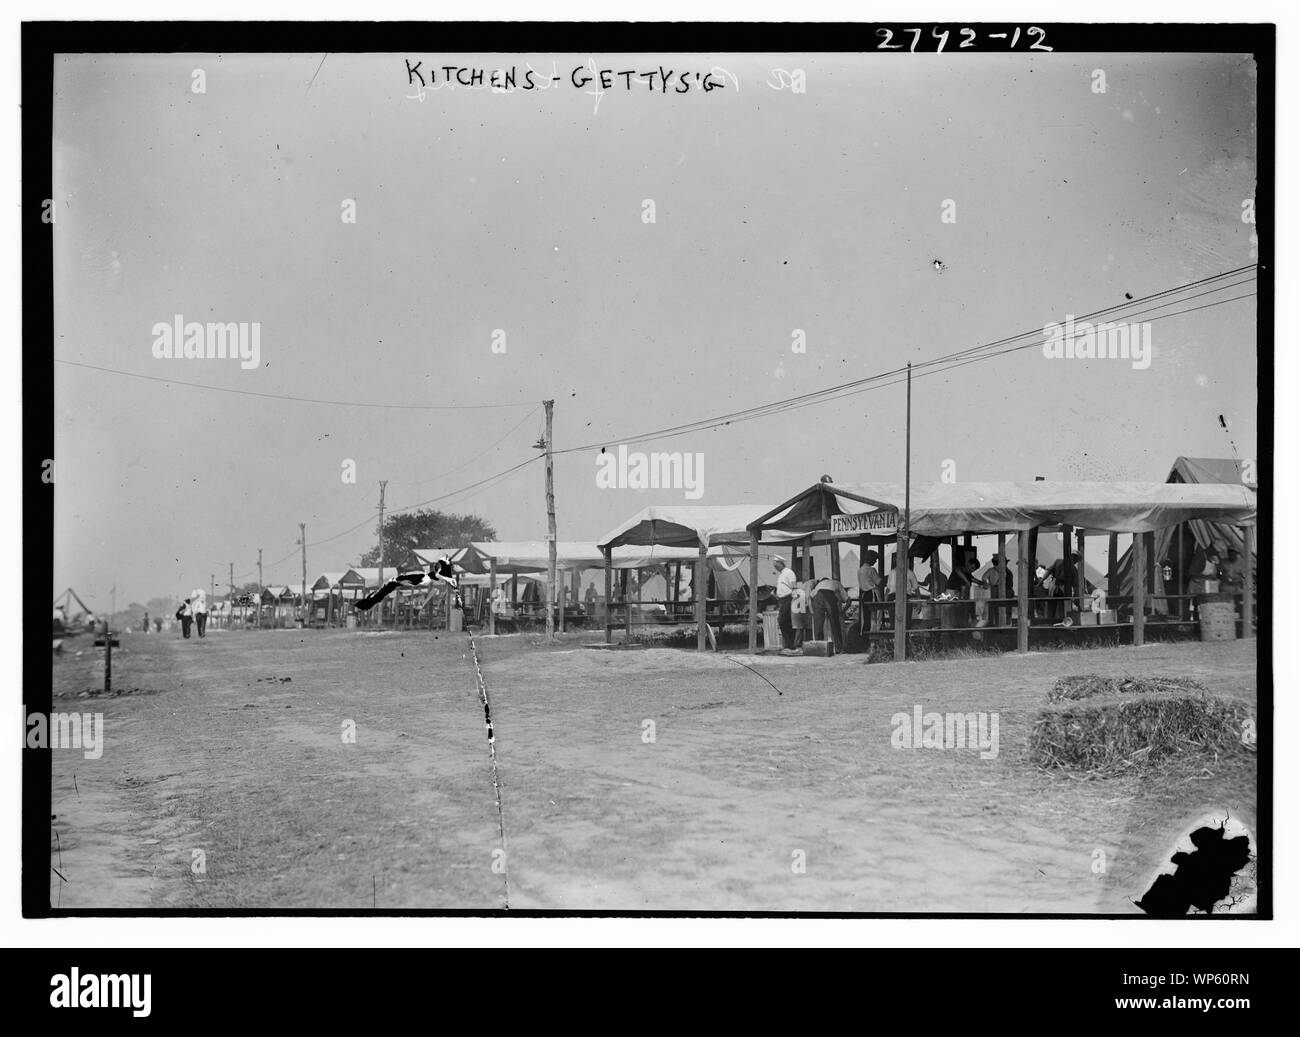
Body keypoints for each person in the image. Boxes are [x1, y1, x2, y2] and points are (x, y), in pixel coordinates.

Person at [811, 574, 848, 654]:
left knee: (818, 624)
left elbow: (811, 596)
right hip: (829, 595)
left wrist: (812, 611)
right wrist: (843, 610)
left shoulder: (818, 585)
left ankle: (819, 648)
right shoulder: (836, 583)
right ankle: (839, 648)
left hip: (817, 597)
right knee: (835, 623)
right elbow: (848, 600)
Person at [773, 556, 797, 650]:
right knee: (786, 622)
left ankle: (790, 644)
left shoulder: (789, 573)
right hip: (782, 600)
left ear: (780, 563)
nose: (775, 567)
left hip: (788, 598)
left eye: (776, 565)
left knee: (783, 621)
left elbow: (793, 586)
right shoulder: (781, 574)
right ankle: (789, 644)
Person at [857, 549, 882, 634]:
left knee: (865, 616)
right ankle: (875, 634)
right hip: (872, 593)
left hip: (864, 595)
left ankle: (865, 636)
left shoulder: (860, 570)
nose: (875, 561)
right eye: (874, 559)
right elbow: (878, 582)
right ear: (870, 559)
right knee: (875, 616)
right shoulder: (871, 570)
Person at [789, 575, 812, 649]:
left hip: (797, 612)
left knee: (800, 628)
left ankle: (799, 644)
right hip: (799, 613)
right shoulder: (801, 594)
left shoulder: (796, 594)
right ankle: (798, 644)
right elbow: (803, 606)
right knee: (800, 628)